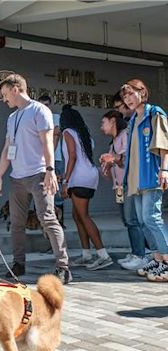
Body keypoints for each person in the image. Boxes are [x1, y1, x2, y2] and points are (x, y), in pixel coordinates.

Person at [0, 73, 72, 284]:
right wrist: (0, 174)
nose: (4, 99)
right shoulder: (12, 118)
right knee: (17, 222)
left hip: (39, 174)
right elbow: (8, 147)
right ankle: (18, 264)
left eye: (5, 94)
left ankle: (63, 267)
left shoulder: (40, 110)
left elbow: (47, 142)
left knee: (47, 218)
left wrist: (50, 170)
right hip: (17, 178)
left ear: (16, 89)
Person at [120, 79, 168, 282]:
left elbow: (165, 143)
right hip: (136, 179)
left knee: (152, 218)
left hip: (152, 174)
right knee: (142, 221)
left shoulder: (154, 113)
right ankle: (157, 259)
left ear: (142, 92)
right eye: (125, 96)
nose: (128, 99)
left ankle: (166, 261)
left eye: (131, 94)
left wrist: (165, 168)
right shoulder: (133, 120)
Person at [59, 105, 112, 270]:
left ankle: (103, 255)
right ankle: (86, 254)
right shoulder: (85, 134)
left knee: (84, 216)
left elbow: (72, 157)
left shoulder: (67, 132)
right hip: (89, 175)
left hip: (78, 178)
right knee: (78, 216)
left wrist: (65, 181)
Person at [99, 110, 149, 270]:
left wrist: (112, 158)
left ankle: (141, 255)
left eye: (103, 122)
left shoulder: (124, 136)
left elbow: (129, 159)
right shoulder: (114, 141)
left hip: (129, 183)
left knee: (132, 220)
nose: (101, 127)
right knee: (128, 220)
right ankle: (136, 252)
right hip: (120, 186)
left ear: (113, 121)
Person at [38, 94, 65, 227]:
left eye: (47, 105)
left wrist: (50, 157)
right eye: (42, 105)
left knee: (57, 189)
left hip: (56, 159)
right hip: (39, 161)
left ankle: (60, 221)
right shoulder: (35, 116)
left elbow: (56, 136)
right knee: (42, 190)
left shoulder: (55, 118)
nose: (45, 107)